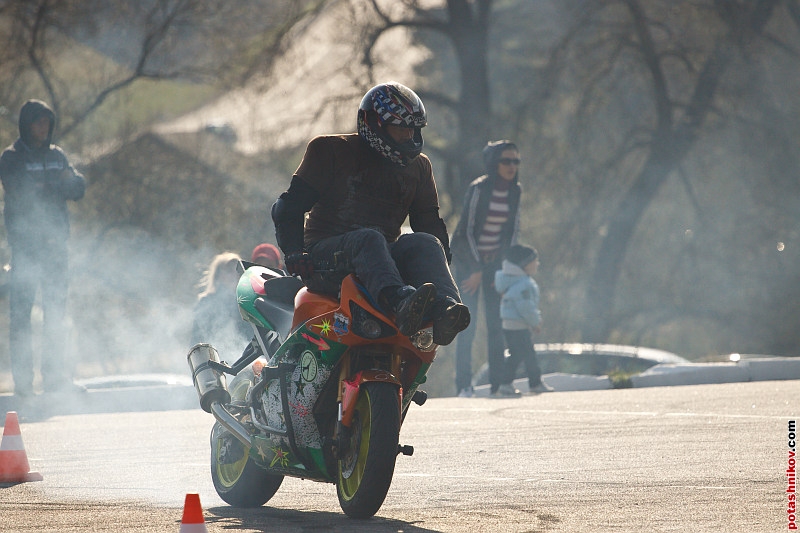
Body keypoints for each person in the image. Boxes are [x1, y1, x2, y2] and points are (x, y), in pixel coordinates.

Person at [271, 81, 469, 345]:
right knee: (368, 238)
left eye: (412, 129)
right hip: (325, 260)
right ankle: (400, 302)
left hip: (380, 261)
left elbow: (429, 223)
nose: (409, 137)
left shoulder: (419, 167)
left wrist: (439, 261)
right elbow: (288, 207)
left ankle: (445, 310)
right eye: (401, 129)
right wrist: (294, 252)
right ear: (374, 124)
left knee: (426, 242)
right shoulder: (329, 150)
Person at [0, 99, 86, 397]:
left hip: (55, 250)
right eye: (38, 122)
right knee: (21, 318)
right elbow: (21, 192)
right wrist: (57, 185)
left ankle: (55, 380)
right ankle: (24, 385)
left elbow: (79, 187)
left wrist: (52, 186)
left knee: (56, 317)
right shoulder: (11, 157)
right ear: (26, 124)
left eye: (47, 122)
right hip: (25, 250)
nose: (44, 127)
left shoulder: (57, 154)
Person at [450, 140, 522, 397]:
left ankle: (499, 384)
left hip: (494, 264)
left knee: (497, 324)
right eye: (506, 161)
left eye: (515, 161)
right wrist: (477, 268)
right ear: (494, 163)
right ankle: (464, 386)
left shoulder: (515, 191)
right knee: (467, 325)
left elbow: (512, 233)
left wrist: (505, 270)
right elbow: (466, 231)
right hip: (469, 261)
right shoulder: (479, 189)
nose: (511, 166)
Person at [494, 244, 552, 397]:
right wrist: (536, 322)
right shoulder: (523, 284)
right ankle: (530, 383)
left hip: (510, 325)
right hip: (518, 326)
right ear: (525, 265)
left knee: (521, 354)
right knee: (524, 355)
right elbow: (526, 307)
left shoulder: (513, 281)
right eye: (534, 261)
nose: (537, 264)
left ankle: (528, 382)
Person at [191, 252, 252, 357]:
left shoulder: (247, 302)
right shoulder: (206, 302)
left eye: (237, 270)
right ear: (218, 276)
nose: (234, 274)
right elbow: (197, 340)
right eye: (229, 270)